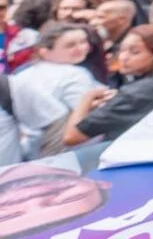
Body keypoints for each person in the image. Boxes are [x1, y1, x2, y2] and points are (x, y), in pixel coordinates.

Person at [61, 25, 153, 146]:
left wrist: (87, 99)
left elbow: (71, 137)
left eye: (135, 52)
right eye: (121, 50)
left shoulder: (139, 92)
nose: (123, 58)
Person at [10, 22, 102, 158]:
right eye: (70, 45)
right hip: (67, 151)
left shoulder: (22, 73)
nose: (81, 48)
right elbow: (86, 120)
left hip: (26, 151)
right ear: (45, 52)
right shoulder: (74, 74)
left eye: (83, 41)